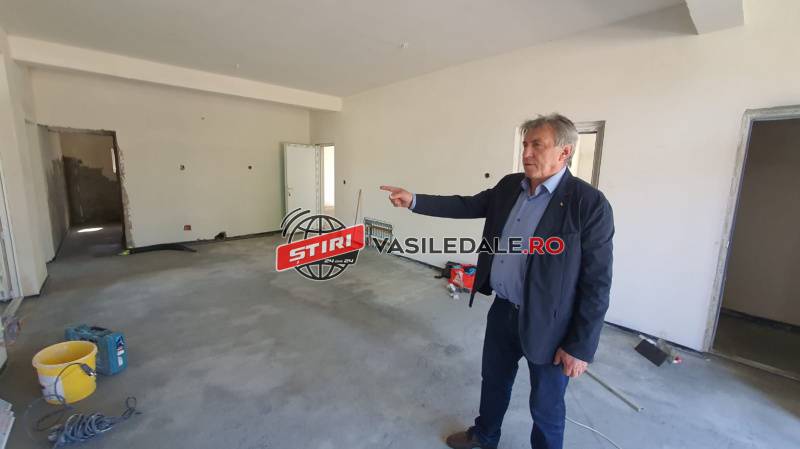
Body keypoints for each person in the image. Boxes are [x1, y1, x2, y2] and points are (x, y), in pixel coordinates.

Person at [380, 114, 614, 449]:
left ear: (565, 152)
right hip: (503, 310)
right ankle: (485, 436)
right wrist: (415, 200)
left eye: (537, 145)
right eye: (525, 144)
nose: (526, 153)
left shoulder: (588, 203)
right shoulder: (510, 186)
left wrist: (580, 346)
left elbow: (597, 282)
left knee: (546, 406)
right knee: (493, 381)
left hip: (550, 324)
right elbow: (467, 205)